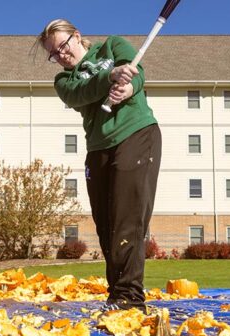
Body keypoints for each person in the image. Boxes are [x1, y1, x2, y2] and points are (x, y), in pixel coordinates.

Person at [37, 19, 162, 312]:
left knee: (126, 218)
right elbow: (82, 93)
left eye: (63, 46)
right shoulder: (64, 81)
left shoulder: (113, 44)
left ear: (77, 36)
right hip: (98, 148)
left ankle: (130, 298)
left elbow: (137, 72)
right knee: (106, 222)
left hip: (136, 133)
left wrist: (129, 89)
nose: (61, 56)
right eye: (53, 54)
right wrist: (110, 78)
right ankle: (116, 293)